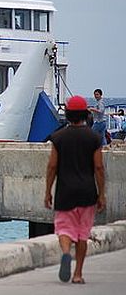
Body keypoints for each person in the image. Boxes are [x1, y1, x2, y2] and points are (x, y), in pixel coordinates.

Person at [44, 95, 105, 284]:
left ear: (68, 115)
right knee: (82, 234)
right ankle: (78, 274)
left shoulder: (58, 137)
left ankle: (65, 253)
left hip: (65, 192)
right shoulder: (94, 138)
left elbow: (52, 166)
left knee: (64, 229)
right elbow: (98, 168)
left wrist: (48, 191)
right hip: (87, 192)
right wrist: (101, 194)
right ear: (85, 115)